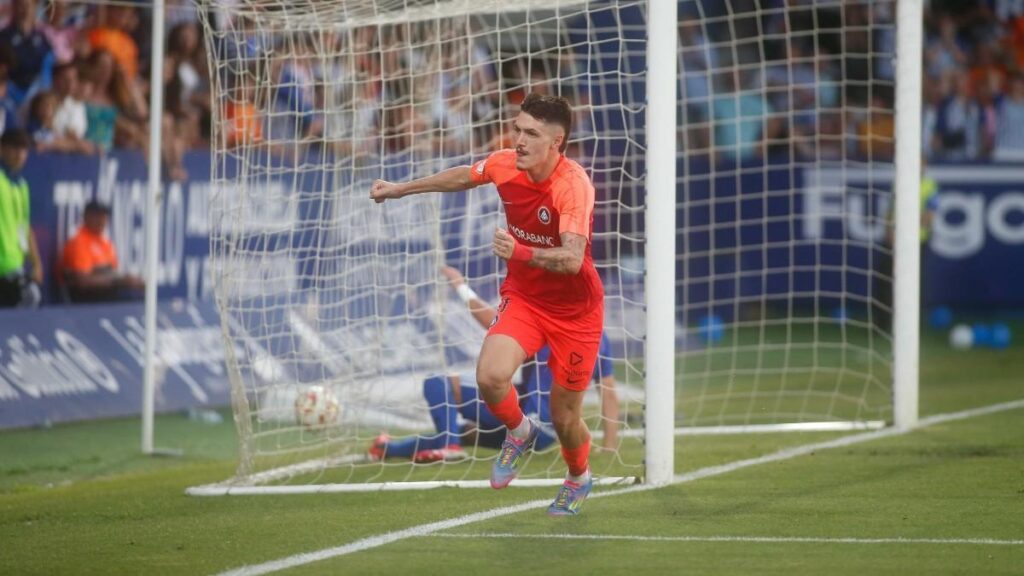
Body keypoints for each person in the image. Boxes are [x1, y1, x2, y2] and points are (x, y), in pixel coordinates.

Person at [370, 93, 604, 515]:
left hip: (576, 314)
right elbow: (463, 177)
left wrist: (522, 253)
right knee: (491, 377)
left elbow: (571, 260)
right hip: (526, 299)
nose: (519, 139)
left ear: (557, 142)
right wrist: (402, 189)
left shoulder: (573, 186)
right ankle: (519, 431)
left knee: (565, 416)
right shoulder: (505, 163)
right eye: (518, 128)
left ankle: (578, 478)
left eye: (531, 133)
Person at [369, 266, 619, 463]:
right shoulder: (598, 337)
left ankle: (448, 445)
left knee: (438, 384)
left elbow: (492, 321)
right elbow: (607, 392)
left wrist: (460, 286)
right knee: (465, 432)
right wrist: (609, 445)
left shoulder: (548, 323)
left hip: (525, 421)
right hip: (548, 435)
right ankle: (388, 447)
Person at [60, 199, 144, 303]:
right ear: (86, 216)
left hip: (108, 296)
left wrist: (128, 279)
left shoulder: (105, 243)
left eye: (103, 216)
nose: (101, 220)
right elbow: (82, 282)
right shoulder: (78, 242)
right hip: (87, 301)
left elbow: (112, 272)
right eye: (97, 216)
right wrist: (119, 281)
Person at [0, 128, 42, 308]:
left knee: (30, 299)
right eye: (14, 149)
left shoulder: (21, 185)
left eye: (24, 150)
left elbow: (24, 227)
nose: (20, 155)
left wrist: (36, 262)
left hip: (14, 264)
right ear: (2, 149)